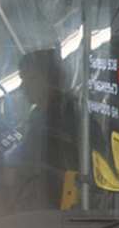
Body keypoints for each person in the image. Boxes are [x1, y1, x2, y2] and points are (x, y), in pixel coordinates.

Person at [16, 48, 80, 209]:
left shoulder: (65, 122)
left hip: (54, 217)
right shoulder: (41, 118)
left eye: (28, 77)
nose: (22, 86)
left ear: (46, 79)